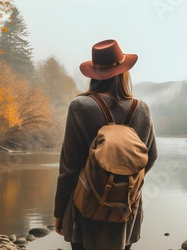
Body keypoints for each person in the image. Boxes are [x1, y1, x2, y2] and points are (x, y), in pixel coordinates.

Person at [53, 39, 158, 250]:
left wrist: (59, 212)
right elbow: (151, 156)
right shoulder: (142, 109)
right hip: (126, 210)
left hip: (85, 209)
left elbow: (69, 166)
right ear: (123, 72)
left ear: (94, 74)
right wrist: (122, 182)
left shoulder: (80, 106)